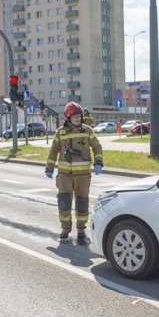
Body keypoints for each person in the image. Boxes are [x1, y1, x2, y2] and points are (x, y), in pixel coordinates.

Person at [45, 102, 104, 244]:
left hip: (83, 176)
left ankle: (81, 230)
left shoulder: (87, 131)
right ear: (68, 117)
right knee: (64, 201)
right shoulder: (61, 132)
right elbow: (53, 151)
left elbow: (97, 147)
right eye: (75, 116)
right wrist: (49, 168)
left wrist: (98, 162)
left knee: (82, 202)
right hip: (65, 175)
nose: (78, 118)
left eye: (79, 116)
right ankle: (65, 229)